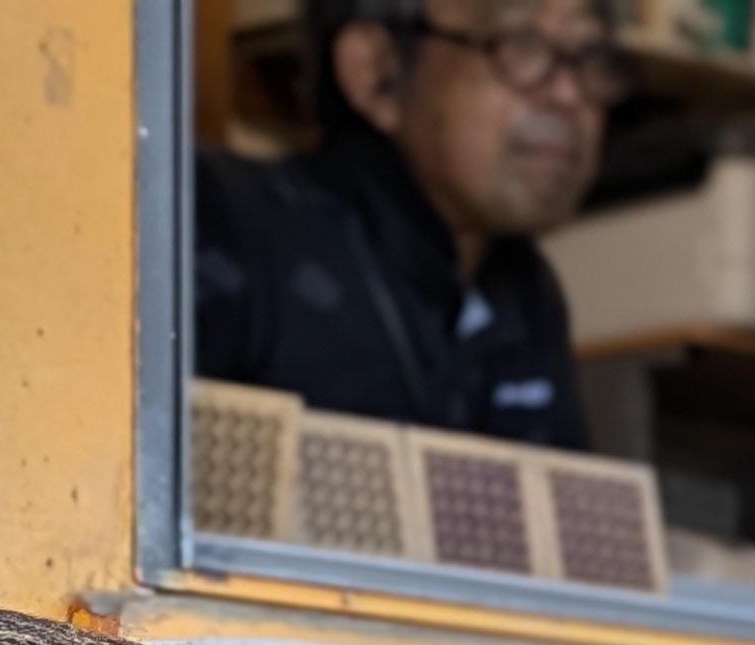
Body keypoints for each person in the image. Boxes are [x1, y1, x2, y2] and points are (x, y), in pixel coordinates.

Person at [197, 0, 618, 449]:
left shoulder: (526, 291)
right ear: (377, 72)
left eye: (590, 55)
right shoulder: (229, 224)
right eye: (520, 44)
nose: (570, 94)